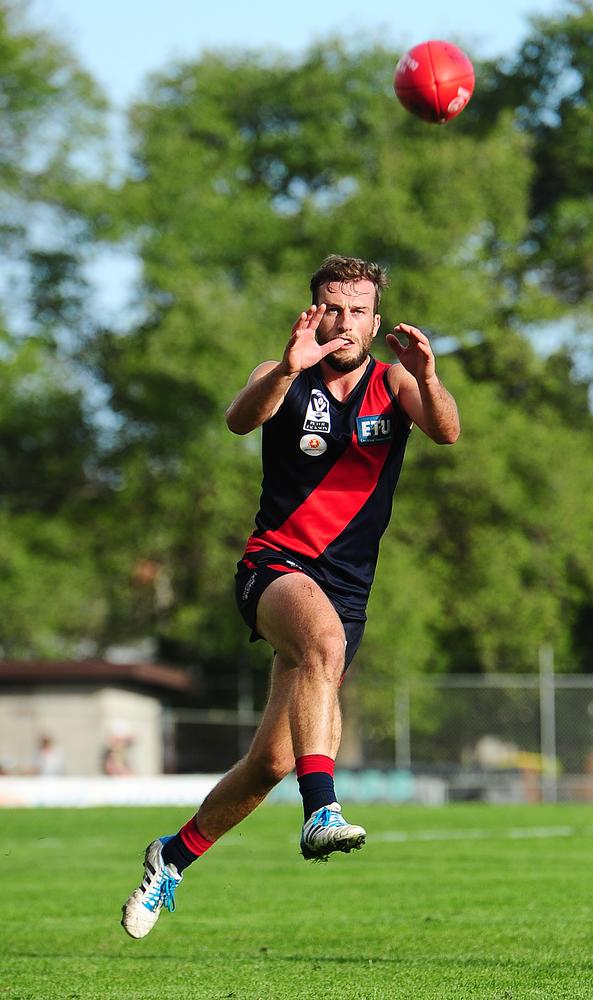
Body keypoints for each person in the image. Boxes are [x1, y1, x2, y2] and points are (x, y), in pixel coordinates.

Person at [121, 254, 460, 938]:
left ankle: (172, 857)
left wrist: (427, 373)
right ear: (315, 311)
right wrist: (285, 367)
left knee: (271, 760)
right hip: (274, 566)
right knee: (323, 644)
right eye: (333, 307)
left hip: (346, 588)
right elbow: (240, 421)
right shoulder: (282, 374)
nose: (345, 321)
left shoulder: (394, 385)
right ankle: (322, 812)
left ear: (375, 320)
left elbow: (448, 429)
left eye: (358, 310)